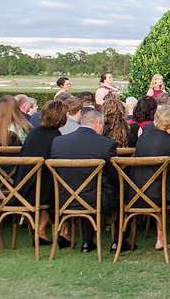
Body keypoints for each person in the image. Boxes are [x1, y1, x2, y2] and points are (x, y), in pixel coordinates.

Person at [49, 107, 117, 253]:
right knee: (117, 191)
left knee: (90, 187)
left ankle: (87, 241)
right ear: (98, 123)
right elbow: (113, 177)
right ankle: (118, 240)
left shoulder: (58, 142)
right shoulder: (106, 144)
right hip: (96, 199)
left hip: (64, 198)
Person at [17, 100, 69, 247]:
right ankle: (63, 231)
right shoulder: (56, 138)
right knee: (67, 188)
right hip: (42, 190)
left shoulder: (33, 134)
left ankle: (40, 231)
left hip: (23, 187)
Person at [132, 105, 170, 251]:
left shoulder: (142, 138)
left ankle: (163, 235)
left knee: (162, 184)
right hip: (160, 194)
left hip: (137, 192)